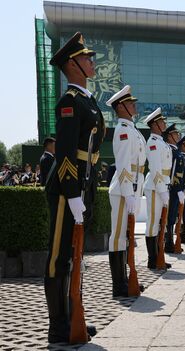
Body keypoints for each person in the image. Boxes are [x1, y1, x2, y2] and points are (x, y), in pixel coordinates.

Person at [45, 32, 104, 343]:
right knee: (58, 255)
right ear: (73, 64)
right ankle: (57, 327)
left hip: (83, 183)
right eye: (86, 58)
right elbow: (66, 151)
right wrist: (71, 194)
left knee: (73, 254)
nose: (92, 62)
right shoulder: (69, 102)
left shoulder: (87, 101)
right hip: (67, 187)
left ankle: (72, 317)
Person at [106, 85, 146, 297]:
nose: (134, 105)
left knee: (127, 236)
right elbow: (122, 166)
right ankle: (119, 285)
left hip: (132, 187)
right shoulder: (123, 131)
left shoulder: (132, 129)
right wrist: (128, 192)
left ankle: (126, 280)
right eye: (130, 103)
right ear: (121, 107)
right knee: (118, 236)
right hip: (123, 190)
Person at [143, 107, 172, 270]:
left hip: (162, 185)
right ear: (154, 125)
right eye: (162, 121)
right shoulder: (153, 143)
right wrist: (161, 189)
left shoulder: (161, 142)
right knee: (153, 222)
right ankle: (152, 259)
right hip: (155, 187)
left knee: (160, 223)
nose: (164, 123)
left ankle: (158, 255)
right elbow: (155, 169)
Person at [163, 124, 185, 253]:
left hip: (177, 189)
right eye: (175, 134)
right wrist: (176, 189)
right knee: (169, 216)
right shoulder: (170, 151)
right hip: (171, 189)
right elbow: (171, 173)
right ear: (170, 136)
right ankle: (168, 242)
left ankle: (170, 241)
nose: (178, 136)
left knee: (173, 216)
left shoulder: (175, 151)